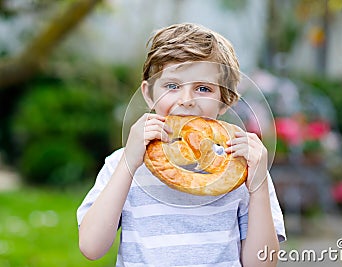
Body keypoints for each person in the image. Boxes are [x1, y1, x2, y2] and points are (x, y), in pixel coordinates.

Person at [77, 23, 286, 267]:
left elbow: (262, 263)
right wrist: (128, 164)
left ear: (225, 102)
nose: (187, 101)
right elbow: (91, 247)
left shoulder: (244, 169)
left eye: (203, 88)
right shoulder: (122, 164)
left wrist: (257, 186)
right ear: (149, 94)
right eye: (173, 86)